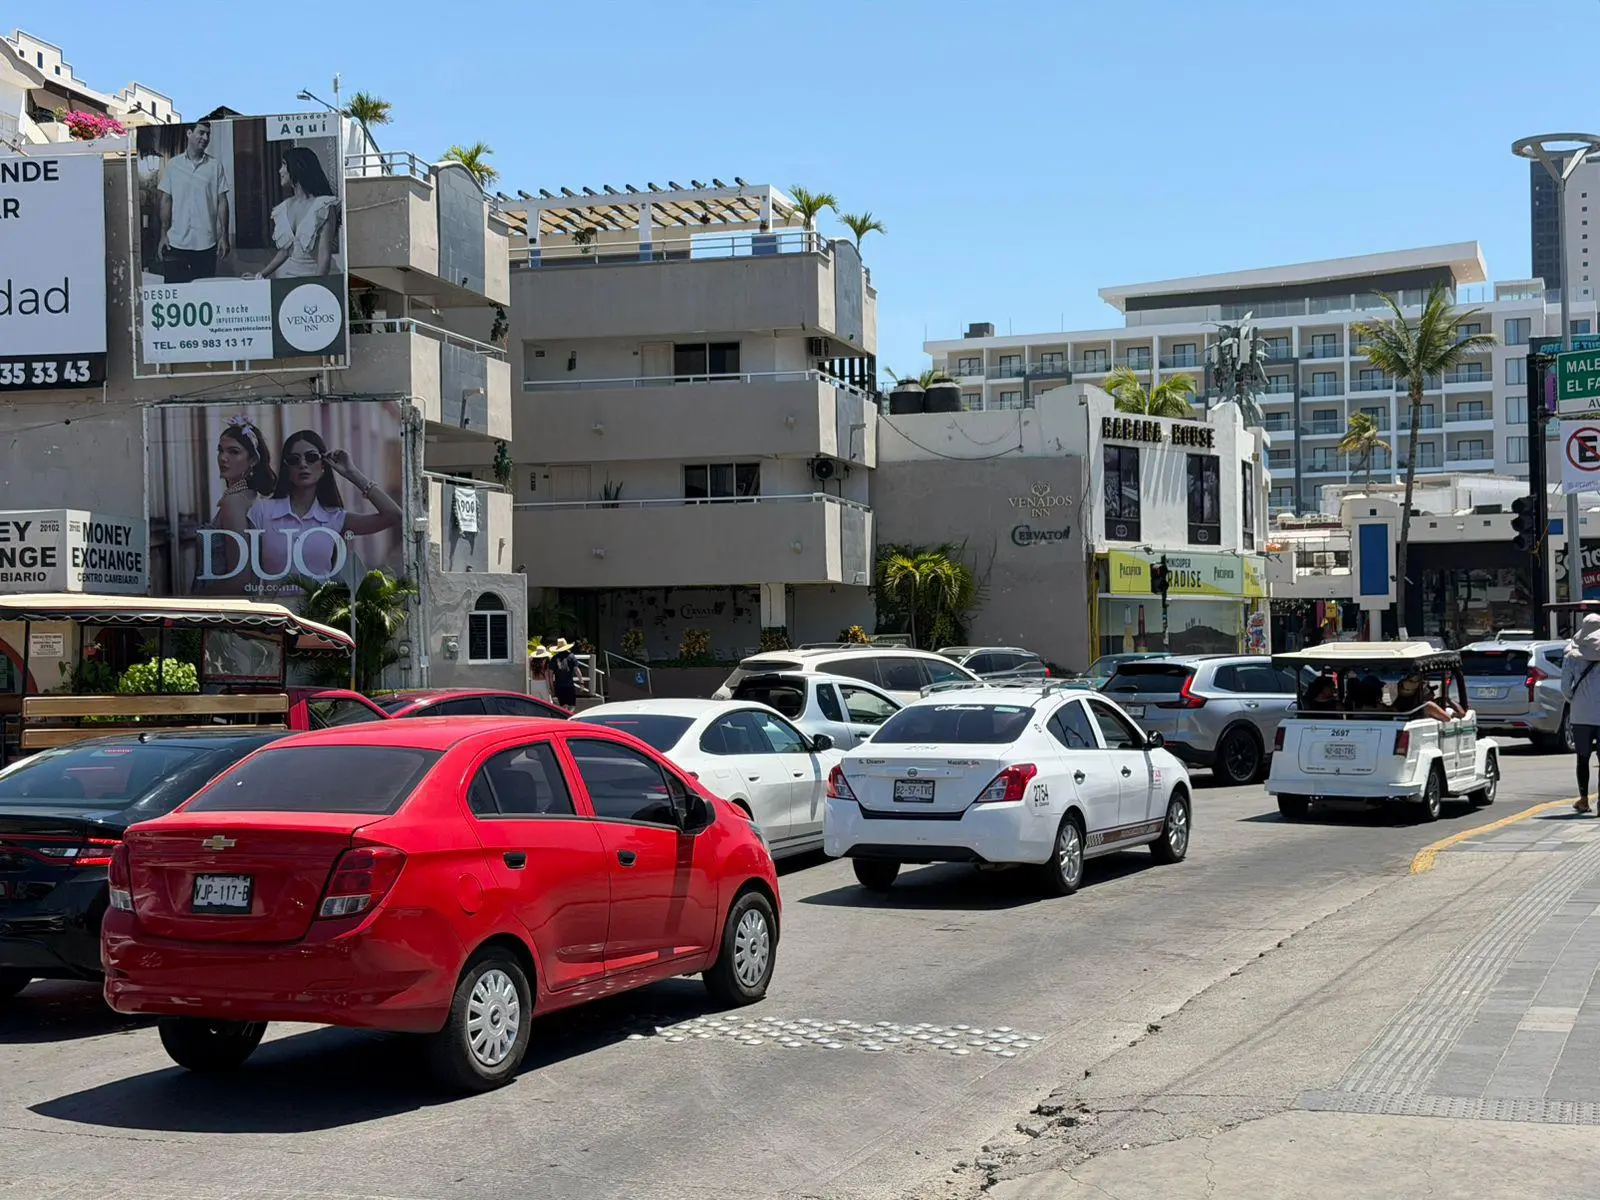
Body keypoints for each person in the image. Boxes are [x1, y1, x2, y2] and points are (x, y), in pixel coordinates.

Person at [245, 429, 402, 596]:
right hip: (276, 617)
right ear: (287, 470)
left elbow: (393, 515)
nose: (303, 464)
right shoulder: (262, 512)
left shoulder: (334, 518)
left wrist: (351, 473)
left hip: (318, 617)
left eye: (311, 457)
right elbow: (248, 578)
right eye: (294, 460)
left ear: (323, 467)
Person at [196, 418, 275, 595]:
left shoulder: (233, 502)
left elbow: (240, 580)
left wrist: (194, 599)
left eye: (234, 452)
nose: (223, 458)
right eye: (220, 450)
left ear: (253, 460)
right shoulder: (250, 497)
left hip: (220, 608)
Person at [244, 147, 340, 280]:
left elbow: (324, 254)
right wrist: (260, 275)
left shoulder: (323, 206)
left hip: (316, 279)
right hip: (292, 279)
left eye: (284, 164)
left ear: (297, 166)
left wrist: (318, 286)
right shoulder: (283, 208)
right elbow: (284, 252)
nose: (280, 171)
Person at [157, 119, 231, 282]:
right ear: (189, 133)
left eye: (208, 134)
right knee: (176, 293)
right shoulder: (173, 165)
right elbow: (166, 200)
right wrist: (163, 234)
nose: (205, 138)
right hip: (176, 243)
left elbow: (222, 202)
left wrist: (224, 236)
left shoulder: (215, 165)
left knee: (204, 294)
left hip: (206, 244)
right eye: (201, 133)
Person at [1562, 613, 1600, 814]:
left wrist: (1575, 701)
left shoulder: (1571, 655)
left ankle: (1584, 799)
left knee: (1582, 758)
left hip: (1581, 716)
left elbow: (1565, 688)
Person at [549, 637, 585, 712]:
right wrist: (581, 683)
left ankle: (564, 717)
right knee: (572, 706)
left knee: (563, 706)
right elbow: (577, 670)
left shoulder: (554, 658)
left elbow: (550, 674)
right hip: (569, 685)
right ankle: (569, 717)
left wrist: (552, 687)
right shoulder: (571, 656)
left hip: (558, 685)